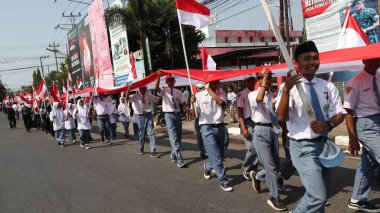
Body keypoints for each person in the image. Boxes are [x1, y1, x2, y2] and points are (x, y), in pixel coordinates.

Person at [276, 41, 346, 213]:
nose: (312, 62)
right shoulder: (288, 88)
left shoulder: (327, 86)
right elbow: (281, 117)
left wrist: (328, 124)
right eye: (306, 58)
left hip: (323, 145)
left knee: (320, 198)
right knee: (317, 197)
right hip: (302, 147)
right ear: (296, 63)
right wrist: (286, 91)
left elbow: (340, 113)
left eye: (315, 58)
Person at [343, 57, 380, 212]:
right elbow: (348, 112)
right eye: (371, 60)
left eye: (377, 60)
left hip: (378, 121)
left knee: (368, 164)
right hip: (366, 125)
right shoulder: (354, 83)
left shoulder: (379, 76)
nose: (375, 63)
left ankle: (357, 199)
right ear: (364, 61)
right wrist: (352, 138)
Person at [248, 69, 287, 211]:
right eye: (264, 78)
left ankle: (258, 176)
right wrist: (264, 81)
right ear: (258, 80)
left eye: (270, 77)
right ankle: (275, 197)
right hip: (260, 131)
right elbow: (259, 99)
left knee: (276, 166)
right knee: (270, 167)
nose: (268, 80)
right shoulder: (252, 95)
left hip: (273, 130)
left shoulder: (273, 95)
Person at [192, 80, 232, 192]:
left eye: (216, 82)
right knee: (217, 157)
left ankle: (208, 167)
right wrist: (192, 103)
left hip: (219, 127)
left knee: (219, 154)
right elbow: (197, 114)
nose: (214, 85)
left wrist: (209, 90)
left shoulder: (221, 93)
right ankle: (223, 181)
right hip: (206, 127)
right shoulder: (199, 95)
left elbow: (221, 103)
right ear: (207, 83)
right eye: (211, 83)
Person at [155, 72, 187, 168]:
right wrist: (158, 76)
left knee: (179, 137)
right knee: (173, 136)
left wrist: (189, 105)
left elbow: (183, 102)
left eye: (172, 80)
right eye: (169, 80)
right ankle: (179, 159)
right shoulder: (164, 90)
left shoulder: (178, 91)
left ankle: (173, 154)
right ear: (166, 82)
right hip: (169, 115)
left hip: (178, 115)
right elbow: (156, 88)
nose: (171, 82)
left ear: (174, 81)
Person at [125, 86, 160, 158]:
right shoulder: (135, 96)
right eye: (141, 88)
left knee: (151, 132)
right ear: (139, 89)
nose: (143, 89)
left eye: (144, 88)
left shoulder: (149, 96)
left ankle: (153, 150)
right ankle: (141, 148)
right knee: (142, 134)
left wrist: (162, 94)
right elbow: (126, 99)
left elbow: (158, 99)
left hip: (149, 115)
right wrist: (128, 89)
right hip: (140, 116)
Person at [237, 74, 259, 181]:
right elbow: (240, 113)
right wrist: (244, 128)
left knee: (257, 148)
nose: (251, 82)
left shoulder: (258, 92)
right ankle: (246, 167)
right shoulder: (242, 95)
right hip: (247, 122)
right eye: (248, 80)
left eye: (252, 80)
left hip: (257, 122)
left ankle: (253, 170)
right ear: (245, 82)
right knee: (252, 148)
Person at [194, 84, 207, 159]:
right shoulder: (209, 93)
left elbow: (195, 110)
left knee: (199, 135)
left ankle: (202, 150)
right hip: (208, 117)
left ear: (198, 88)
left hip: (199, 117)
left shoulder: (196, 95)